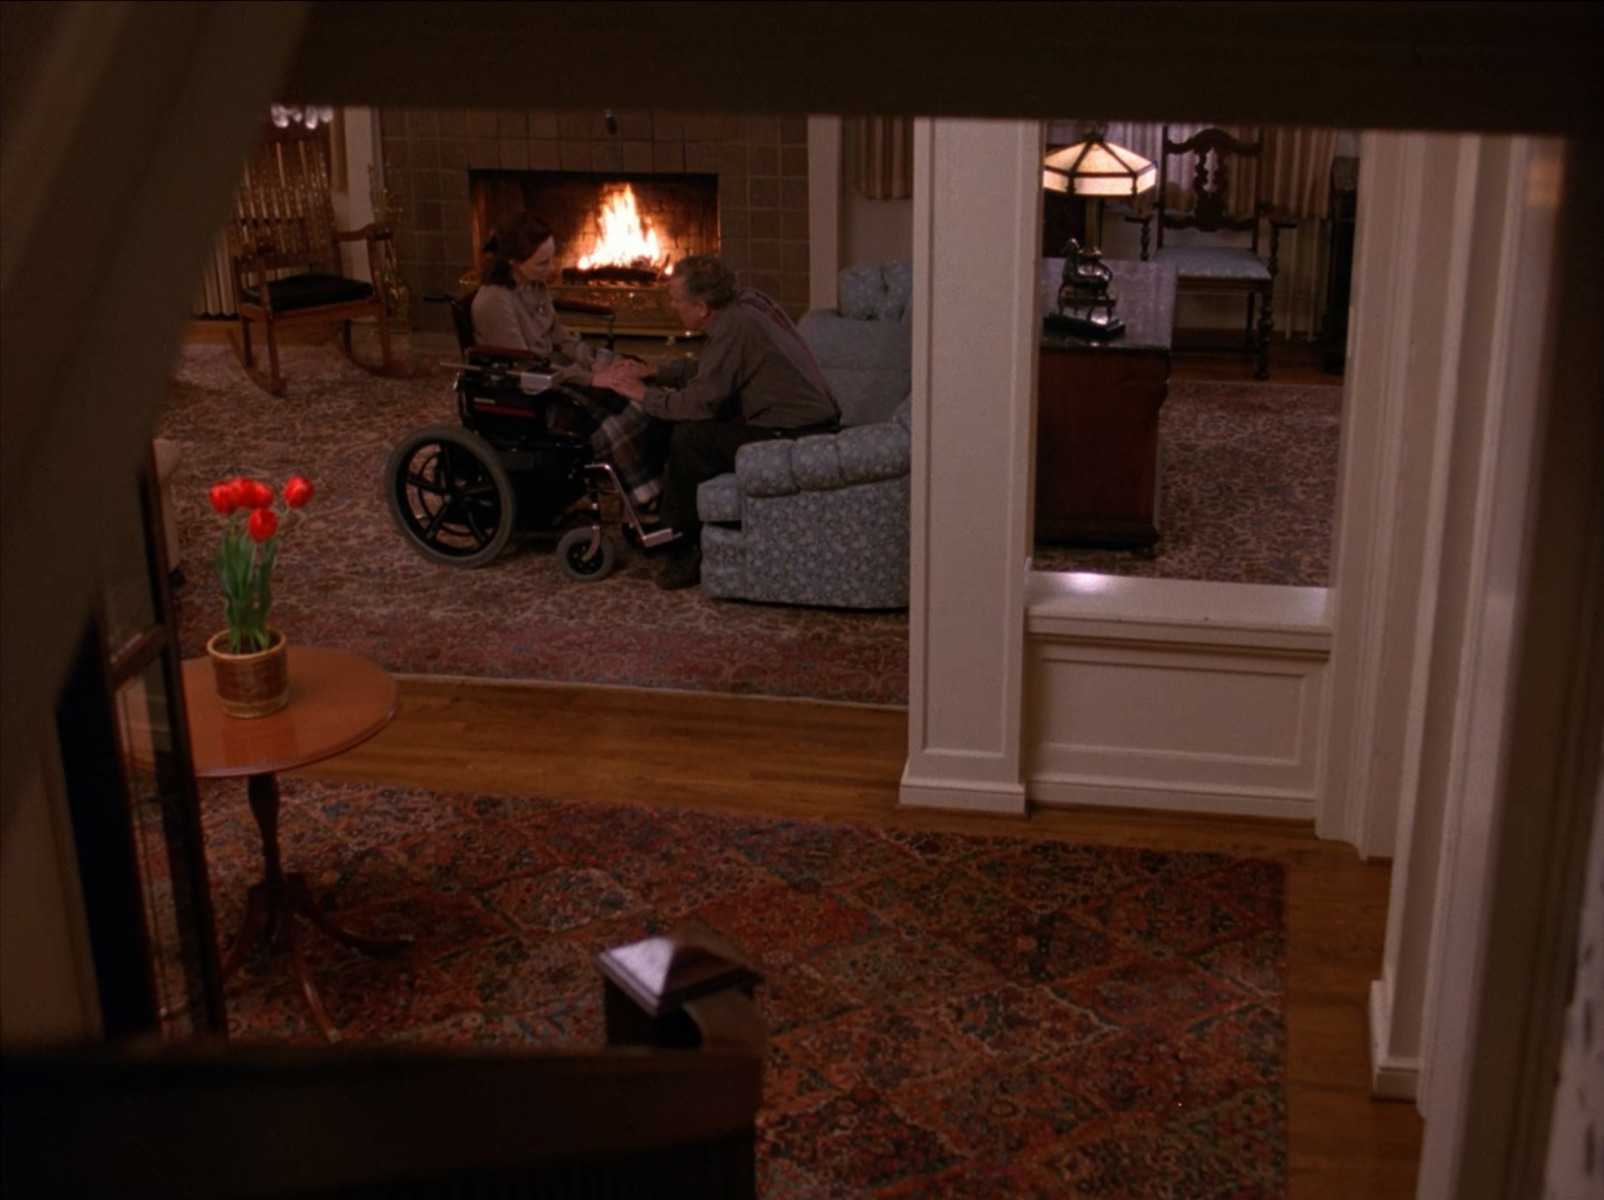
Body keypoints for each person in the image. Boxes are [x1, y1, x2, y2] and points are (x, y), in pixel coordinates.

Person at [592, 255, 840, 590]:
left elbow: (700, 403)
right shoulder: (741, 307)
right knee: (671, 417)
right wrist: (655, 371)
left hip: (796, 434)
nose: (672, 306)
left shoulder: (734, 327)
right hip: (793, 422)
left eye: (676, 300)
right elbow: (713, 370)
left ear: (701, 308)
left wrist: (643, 395)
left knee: (690, 437)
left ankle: (688, 543)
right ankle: (656, 509)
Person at [472, 211, 669, 514]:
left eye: (551, 259)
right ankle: (645, 497)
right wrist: (591, 379)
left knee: (632, 371)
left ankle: (663, 475)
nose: (551, 269)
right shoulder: (494, 302)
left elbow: (558, 335)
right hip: (531, 385)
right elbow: (527, 366)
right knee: (620, 414)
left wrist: (593, 363)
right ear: (513, 261)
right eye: (542, 263)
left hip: (554, 363)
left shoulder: (532, 284)